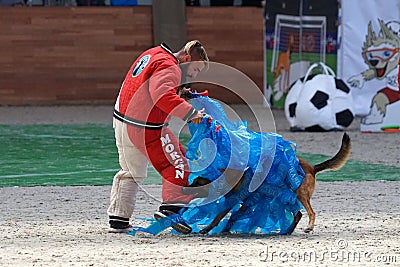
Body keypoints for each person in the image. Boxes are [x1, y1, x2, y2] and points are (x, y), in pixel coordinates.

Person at [108, 40, 209, 233]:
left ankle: (118, 219)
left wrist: (179, 92)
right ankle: (170, 210)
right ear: (186, 59)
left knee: (131, 171)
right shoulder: (170, 67)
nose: (194, 75)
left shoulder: (154, 54)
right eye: (195, 70)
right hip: (145, 128)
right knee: (178, 164)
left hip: (122, 121)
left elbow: (149, 86)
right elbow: (161, 95)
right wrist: (190, 114)